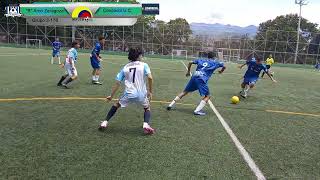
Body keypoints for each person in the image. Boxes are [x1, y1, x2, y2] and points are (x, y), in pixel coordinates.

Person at [99, 48, 155, 135]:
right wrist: (150, 92)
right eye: (141, 55)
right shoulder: (144, 65)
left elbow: (117, 83)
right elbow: (150, 78)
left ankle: (105, 122)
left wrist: (111, 96)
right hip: (141, 94)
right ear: (139, 56)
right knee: (147, 108)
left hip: (129, 94)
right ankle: (146, 124)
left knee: (116, 105)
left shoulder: (125, 67)